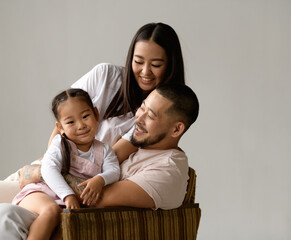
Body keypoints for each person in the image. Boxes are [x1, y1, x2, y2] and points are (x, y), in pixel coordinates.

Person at [0, 22, 186, 239]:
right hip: (50, 170)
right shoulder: (106, 75)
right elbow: (63, 119)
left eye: (156, 64)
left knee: (9, 217)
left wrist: (49, 176)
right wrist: (45, 167)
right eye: (138, 61)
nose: (145, 72)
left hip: (76, 184)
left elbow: (111, 159)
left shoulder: (153, 117)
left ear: (170, 65)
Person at [0, 84, 199, 239]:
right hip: (44, 190)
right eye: (143, 107)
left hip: (59, 206)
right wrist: (37, 171)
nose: (139, 118)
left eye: (151, 115)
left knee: (5, 216)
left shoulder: (168, 169)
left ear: (176, 130)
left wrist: (41, 173)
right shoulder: (139, 142)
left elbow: (95, 196)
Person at [12, 89, 120, 240]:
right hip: (41, 193)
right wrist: (68, 195)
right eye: (71, 122)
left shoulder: (104, 149)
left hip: (68, 204)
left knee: (69, 225)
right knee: (51, 211)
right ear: (60, 127)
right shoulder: (61, 144)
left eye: (85, 116)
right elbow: (48, 169)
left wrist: (100, 179)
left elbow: (114, 170)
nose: (81, 125)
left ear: (96, 114)